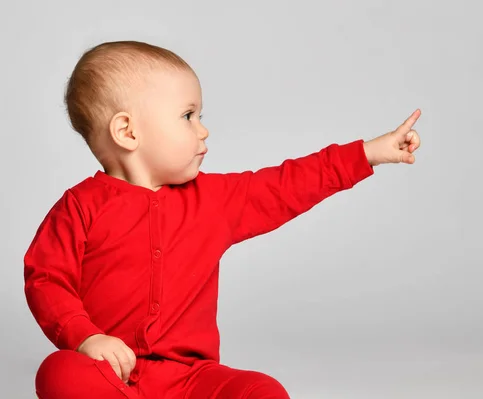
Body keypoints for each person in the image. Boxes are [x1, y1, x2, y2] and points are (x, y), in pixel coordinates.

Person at [24, 40, 421, 399]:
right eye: (187, 116)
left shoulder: (213, 200)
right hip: (111, 376)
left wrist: (367, 153)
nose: (203, 130)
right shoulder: (79, 207)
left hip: (192, 381)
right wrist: (86, 337)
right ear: (127, 131)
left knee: (262, 391)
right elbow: (47, 279)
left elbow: (285, 186)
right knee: (58, 373)